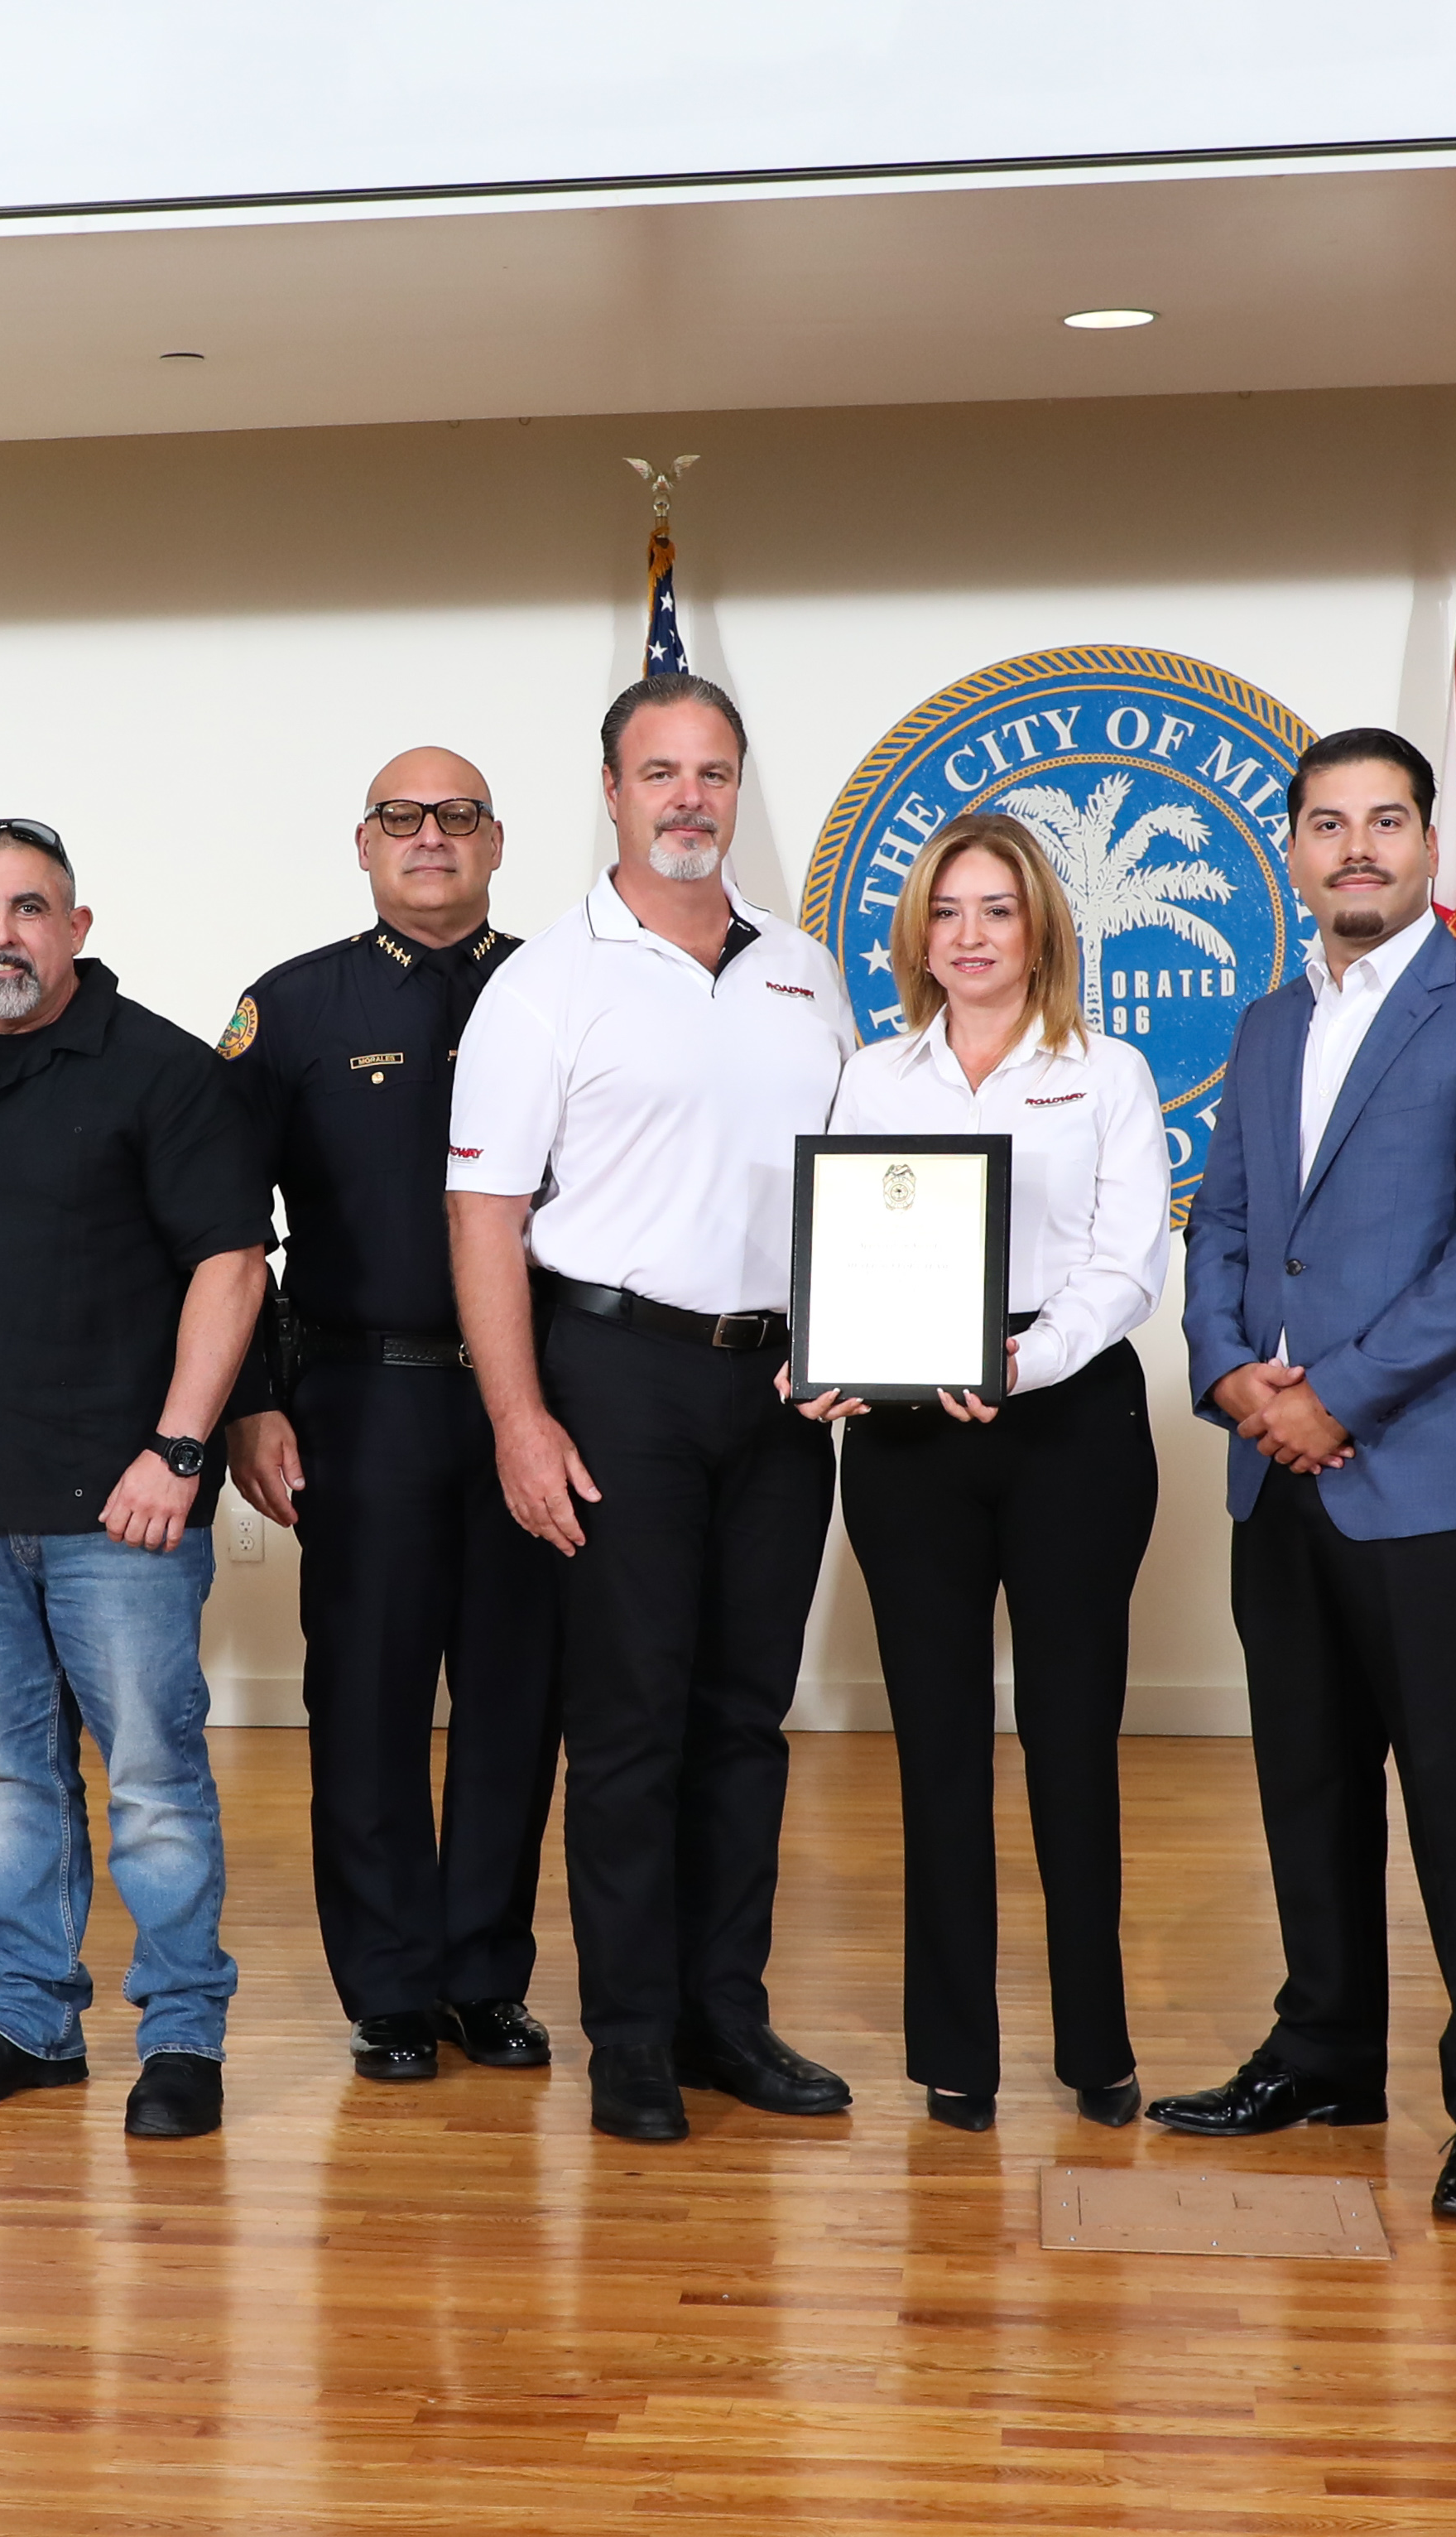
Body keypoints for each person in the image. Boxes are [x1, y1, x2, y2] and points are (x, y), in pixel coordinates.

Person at [1156, 727, 1456, 2223]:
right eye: (1328, 824)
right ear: (1293, 849)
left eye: (1386, 821)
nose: (1357, 849)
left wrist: (1333, 1392)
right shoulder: (1272, 1022)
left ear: (1429, 844)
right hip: (1278, 1474)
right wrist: (1229, 1374)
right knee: (1308, 1782)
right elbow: (1220, 1220)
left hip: (1436, 1476)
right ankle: (1327, 2051)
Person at [446, 672, 856, 2145]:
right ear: (612, 790)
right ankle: (629, 2037)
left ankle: (721, 2016)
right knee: (627, 1724)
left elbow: (859, 1182)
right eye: (660, 771)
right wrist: (519, 1419)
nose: (690, 797)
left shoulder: (806, 971)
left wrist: (861, 1341)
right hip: (618, 1375)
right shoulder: (546, 982)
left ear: (738, 789)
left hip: (783, 1388)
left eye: (713, 771)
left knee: (747, 1716)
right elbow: (485, 1214)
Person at [0, 816, 271, 2141]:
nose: (4, 934)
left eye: (30, 908)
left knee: (153, 1780)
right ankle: (30, 2018)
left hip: (123, 1509)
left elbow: (233, 1265)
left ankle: (183, 2033)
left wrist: (179, 1450)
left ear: (77, 928)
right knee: (8, 1781)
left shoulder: (163, 1070)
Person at [803, 810, 1167, 2135]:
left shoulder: (1108, 1072)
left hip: (1068, 1428)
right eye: (947, 911)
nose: (970, 935)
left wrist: (1025, 1359)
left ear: (1040, 929)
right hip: (907, 1441)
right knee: (937, 1748)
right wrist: (828, 1354)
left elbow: (1127, 1264)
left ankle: (1097, 2044)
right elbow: (842, 1242)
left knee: (1072, 1743)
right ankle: (956, 2052)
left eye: (997, 910)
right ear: (918, 934)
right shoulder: (872, 1078)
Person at [216, 749, 563, 2085]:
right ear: (363, 844)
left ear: (496, 841)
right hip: (365, 1398)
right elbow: (222, 1224)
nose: (431, 837)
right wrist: (252, 1402)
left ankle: (485, 1977)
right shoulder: (294, 1007)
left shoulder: (564, 988)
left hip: (534, 1402)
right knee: (365, 1696)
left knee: (516, 1697)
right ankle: (391, 1987)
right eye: (401, 818)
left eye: (458, 816)